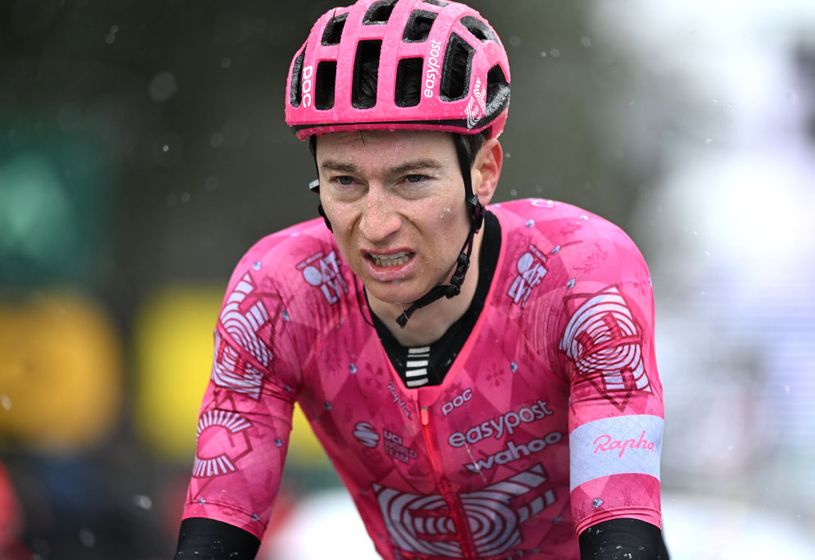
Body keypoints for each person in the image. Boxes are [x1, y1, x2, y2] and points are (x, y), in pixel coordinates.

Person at [174, 0, 668, 558]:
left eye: (412, 180)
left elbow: (624, 529)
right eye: (344, 181)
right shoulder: (281, 295)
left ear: (483, 172)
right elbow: (217, 528)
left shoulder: (578, 275)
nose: (376, 225)